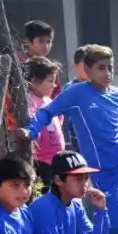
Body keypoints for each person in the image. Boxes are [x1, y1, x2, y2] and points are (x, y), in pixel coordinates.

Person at [21, 44, 118, 234]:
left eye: (110, 67)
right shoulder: (77, 93)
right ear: (88, 69)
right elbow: (48, 111)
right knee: (114, 222)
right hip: (101, 170)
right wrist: (30, 131)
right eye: (101, 68)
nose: (107, 73)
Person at [26, 56, 66, 189]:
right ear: (35, 81)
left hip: (56, 159)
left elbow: (59, 117)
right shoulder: (29, 101)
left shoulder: (49, 100)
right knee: (44, 190)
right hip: (41, 161)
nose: (54, 85)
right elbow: (31, 120)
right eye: (50, 81)